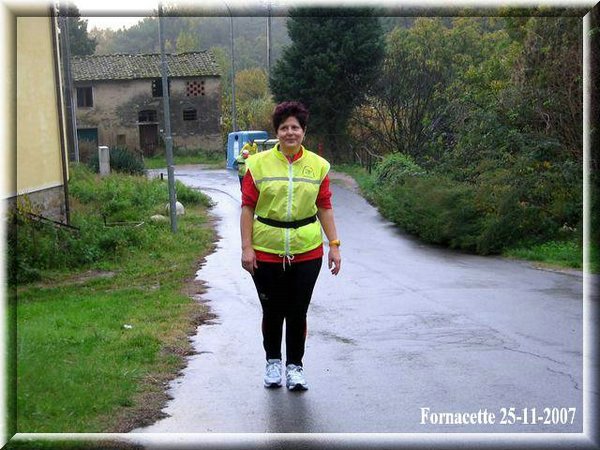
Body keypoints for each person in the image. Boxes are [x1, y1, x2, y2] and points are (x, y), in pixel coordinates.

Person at [240, 101, 341, 391]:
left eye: (295, 127)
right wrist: (247, 248)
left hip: (307, 252)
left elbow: (324, 206)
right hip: (266, 252)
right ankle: (273, 363)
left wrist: (334, 245)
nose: (290, 132)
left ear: (303, 131)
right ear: (277, 132)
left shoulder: (318, 166)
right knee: (272, 311)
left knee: (298, 312)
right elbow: (247, 207)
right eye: (284, 127)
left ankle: (295, 367)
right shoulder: (257, 164)